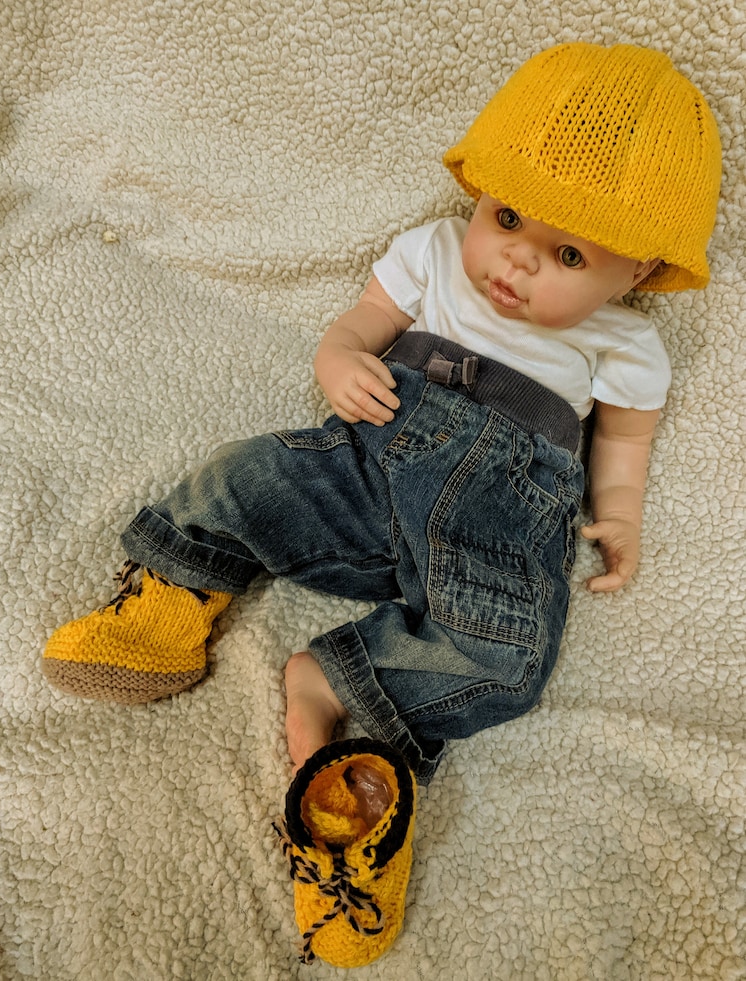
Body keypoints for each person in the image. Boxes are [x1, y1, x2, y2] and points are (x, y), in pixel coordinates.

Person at [43, 42, 721, 787]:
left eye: (568, 257)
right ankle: (170, 598)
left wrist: (620, 513)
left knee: (510, 657)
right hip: (374, 454)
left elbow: (624, 440)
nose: (516, 262)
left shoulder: (626, 339)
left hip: (498, 517)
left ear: (640, 270)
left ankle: (337, 679)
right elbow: (366, 319)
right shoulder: (434, 250)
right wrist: (336, 358)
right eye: (508, 216)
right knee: (246, 477)